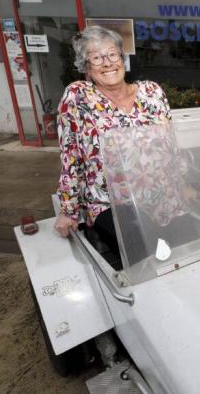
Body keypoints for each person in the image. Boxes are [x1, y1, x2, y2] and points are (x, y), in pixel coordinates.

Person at [53, 26, 172, 250]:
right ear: (85, 67)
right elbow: (71, 158)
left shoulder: (153, 92)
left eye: (112, 54)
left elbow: (170, 145)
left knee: (190, 248)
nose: (107, 63)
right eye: (96, 58)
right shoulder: (78, 97)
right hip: (111, 202)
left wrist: (183, 183)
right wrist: (68, 210)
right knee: (148, 251)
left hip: (160, 193)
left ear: (121, 57)